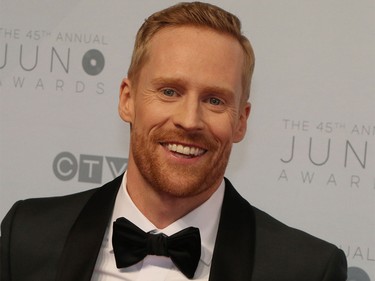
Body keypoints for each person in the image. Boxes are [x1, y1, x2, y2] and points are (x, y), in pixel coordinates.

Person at [1, 2, 347, 281]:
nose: (189, 120)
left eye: (214, 100)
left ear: (241, 120)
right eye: (169, 91)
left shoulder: (307, 269)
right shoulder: (27, 236)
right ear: (127, 99)